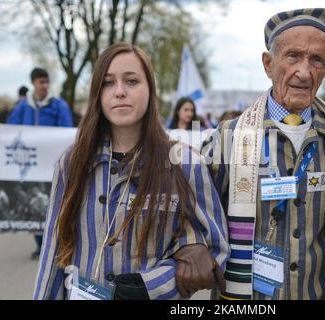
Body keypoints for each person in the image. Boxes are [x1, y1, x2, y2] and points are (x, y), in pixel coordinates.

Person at [33, 43, 229, 300]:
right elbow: (52, 254)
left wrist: (153, 286)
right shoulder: (72, 162)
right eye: (108, 82)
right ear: (97, 94)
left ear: (150, 90)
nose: (120, 92)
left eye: (132, 81)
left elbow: (218, 249)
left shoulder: (185, 163)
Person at [188, 8, 325, 300]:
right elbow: (191, 206)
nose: (304, 71)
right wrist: (192, 245)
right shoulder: (229, 138)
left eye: (317, 59)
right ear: (268, 64)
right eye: (293, 56)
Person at [7, 68, 73, 260]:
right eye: (41, 82)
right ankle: (41, 245)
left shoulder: (58, 105)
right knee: (35, 207)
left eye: (47, 82)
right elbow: (11, 129)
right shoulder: (22, 107)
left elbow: (67, 132)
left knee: (57, 205)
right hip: (31, 169)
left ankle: (58, 243)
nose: (45, 86)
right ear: (33, 83)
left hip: (53, 166)